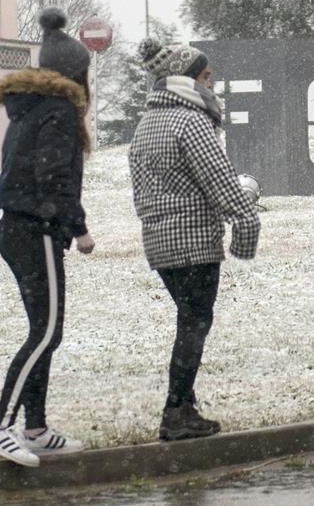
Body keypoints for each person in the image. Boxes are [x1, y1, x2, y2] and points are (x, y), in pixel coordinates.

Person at [0, 7, 95, 467]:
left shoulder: (27, 109)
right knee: (45, 333)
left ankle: (36, 427)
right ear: (75, 73)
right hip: (36, 228)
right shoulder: (60, 111)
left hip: (18, 226)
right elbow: (53, 177)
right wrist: (78, 227)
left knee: (45, 331)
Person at [129, 38, 261, 442]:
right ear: (186, 81)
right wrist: (246, 224)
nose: (212, 86)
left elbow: (141, 191)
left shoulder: (147, 124)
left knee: (189, 320)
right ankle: (177, 409)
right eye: (206, 77)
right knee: (194, 322)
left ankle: (183, 406)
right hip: (194, 241)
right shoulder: (192, 122)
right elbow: (219, 179)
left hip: (158, 242)